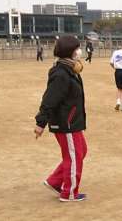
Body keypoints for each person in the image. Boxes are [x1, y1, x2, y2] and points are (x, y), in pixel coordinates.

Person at [34, 35, 88, 202]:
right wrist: (41, 122)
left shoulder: (70, 69)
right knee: (74, 156)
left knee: (81, 151)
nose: (79, 51)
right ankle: (69, 193)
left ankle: (55, 181)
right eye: (77, 48)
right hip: (66, 122)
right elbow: (50, 99)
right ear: (69, 51)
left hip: (73, 121)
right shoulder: (61, 73)